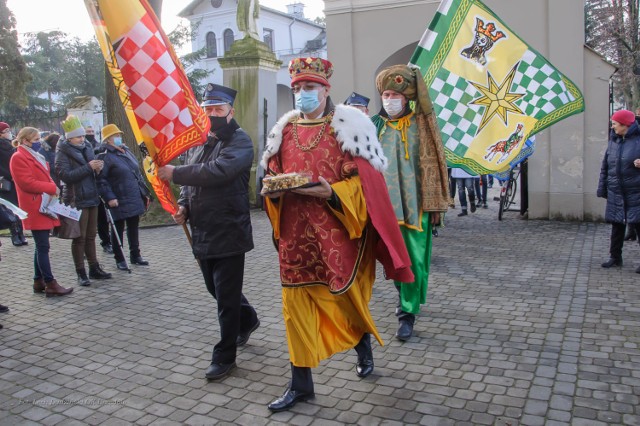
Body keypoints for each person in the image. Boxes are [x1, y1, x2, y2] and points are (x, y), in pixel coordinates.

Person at [260, 57, 413, 412]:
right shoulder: (282, 131)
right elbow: (274, 171)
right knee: (294, 307)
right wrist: (272, 188)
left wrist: (333, 193)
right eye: (297, 89)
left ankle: (362, 343)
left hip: (338, 232)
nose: (302, 94)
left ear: (326, 89)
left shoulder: (349, 127)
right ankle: (300, 384)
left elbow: (366, 186)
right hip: (295, 235)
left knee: (345, 298)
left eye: (309, 88)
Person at [157, 83, 260, 381]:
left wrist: (175, 173)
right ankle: (249, 318)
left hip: (229, 231)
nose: (212, 114)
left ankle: (225, 357)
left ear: (231, 111)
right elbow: (191, 186)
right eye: (208, 110)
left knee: (225, 301)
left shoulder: (241, 141)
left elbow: (218, 172)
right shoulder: (202, 141)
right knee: (214, 289)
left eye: (218, 109)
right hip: (202, 231)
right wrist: (183, 207)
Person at [372, 64, 449, 341]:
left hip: (415, 208)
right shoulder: (376, 125)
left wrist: (437, 204)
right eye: (385, 94)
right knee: (393, 262)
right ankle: (403, 296)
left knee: (413, 262)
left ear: (406, 98)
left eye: (395, 94)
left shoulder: (422, 124)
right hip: (382, 209)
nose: (389, 99)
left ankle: (407, 314)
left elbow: (437, 162)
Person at [9, 127, 73, 297]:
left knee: (41, 245)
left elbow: (44, 175)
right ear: (25, 141)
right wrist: (52, 187)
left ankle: (38, 281)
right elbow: (26, 183)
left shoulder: (33, 155)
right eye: (35, 139)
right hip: (35, 205)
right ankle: (50, 283)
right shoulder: (18, 157)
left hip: (43, 203)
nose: (39, 142)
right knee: (43, 246)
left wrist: (54, 187)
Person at [56, 116, 112, 286]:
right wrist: (89, 167)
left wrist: (98, 168)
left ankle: (94, 267)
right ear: (69, 138)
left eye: (82, 136)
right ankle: (81, 272)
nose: (82, 138)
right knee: (79, 237)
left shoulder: (87, 147)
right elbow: (65, 175)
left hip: (92, 196)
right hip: (76, 198)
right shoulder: (62, 151)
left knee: (91, 235)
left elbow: (92, 172)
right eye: (78, 136)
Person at [96, 124, 151, 270]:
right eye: (116, 136)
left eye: (119, 135)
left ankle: (135, 255)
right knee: (118, 229)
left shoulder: (125, 151)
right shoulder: (104, 156)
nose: (119, 137)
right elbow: (101, 180)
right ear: (108, 140)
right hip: (118, 197)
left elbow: (136, 172)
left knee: (133, 226)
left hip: (133, 194)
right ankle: (119, 259)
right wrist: (109, 197)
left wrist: (143, 192)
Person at [598, 109, 640, 272]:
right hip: (616, 191)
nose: (613, 126)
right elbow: (605, 166)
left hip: (635, 191)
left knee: (638, 225)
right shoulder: (613, 141)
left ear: (625, 125)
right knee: (617, 225)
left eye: (615, 123)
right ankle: (615, 257)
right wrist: (603, 188)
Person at [0, 121, 28, 246]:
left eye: (9, 130)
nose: (8, 133)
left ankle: (21, 233)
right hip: (5, 182)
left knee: (18, 208)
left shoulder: (13, 146)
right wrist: (8, 175)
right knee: (9, 208)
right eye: (6, 131)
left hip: (16, 180)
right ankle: (15, 235)